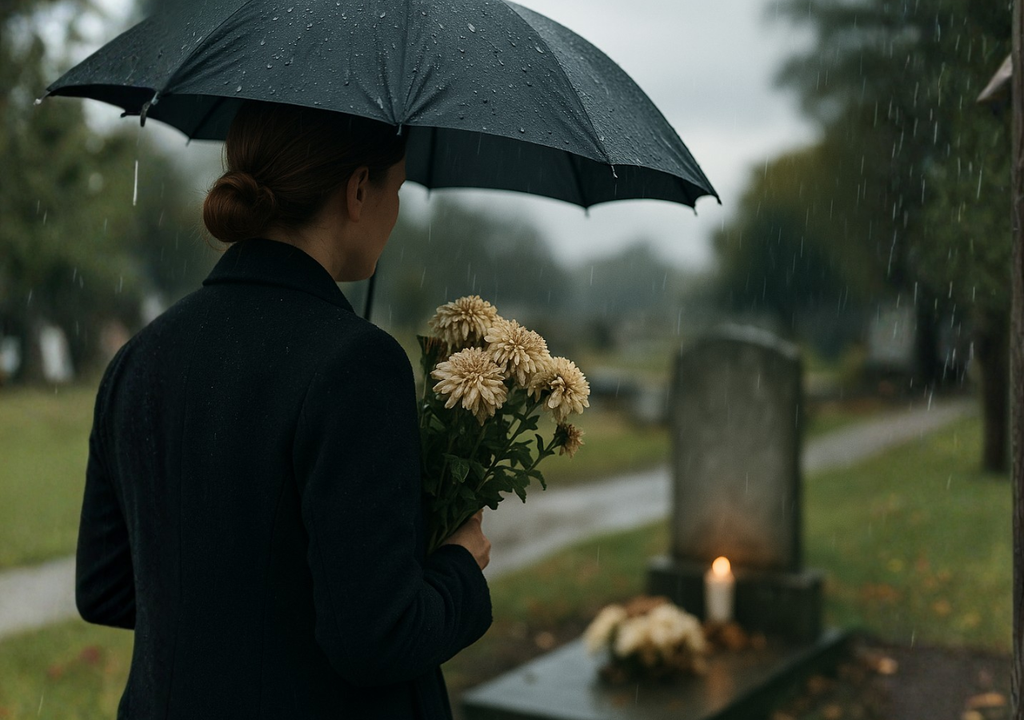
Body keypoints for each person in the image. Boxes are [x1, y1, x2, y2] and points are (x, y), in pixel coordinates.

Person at [75, 100, 493, 719]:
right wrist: (460, 565)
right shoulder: (356, 364)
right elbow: (376, 639)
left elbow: (106, 589)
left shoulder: (139, 357)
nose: (396, 212)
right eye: (396, 188)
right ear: (357, 189)